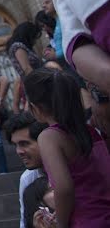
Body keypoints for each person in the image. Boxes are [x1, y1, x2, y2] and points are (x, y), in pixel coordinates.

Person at [23, 67, 110, 227]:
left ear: (36, 108)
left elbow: (64, 189)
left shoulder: (49, 137)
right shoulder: (91, 130)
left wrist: (61, 223)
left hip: (87, 220)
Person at [4, 112, 49, 228]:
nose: (19, 151)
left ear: (45, 140)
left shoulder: (74, 171)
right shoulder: (27, 178)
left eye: (24, 144)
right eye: (16, 145)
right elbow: (24, 223)